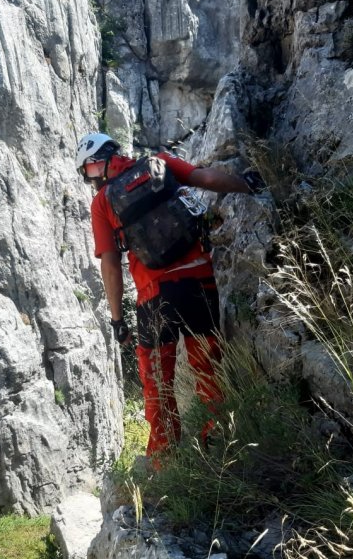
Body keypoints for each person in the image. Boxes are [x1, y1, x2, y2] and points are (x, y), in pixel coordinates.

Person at [76, 132, 262, 459]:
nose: (92, 179)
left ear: (101, 161)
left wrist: (117, 319)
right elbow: (204, 178)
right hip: (200, 282)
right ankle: (219, 447)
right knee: (208, 370)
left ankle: (165, 460)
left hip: (154, 296)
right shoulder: (158, 163)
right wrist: (247, 184)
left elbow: (111, 265)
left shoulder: (103, 201)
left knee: (157, 385)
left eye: (90, 171)